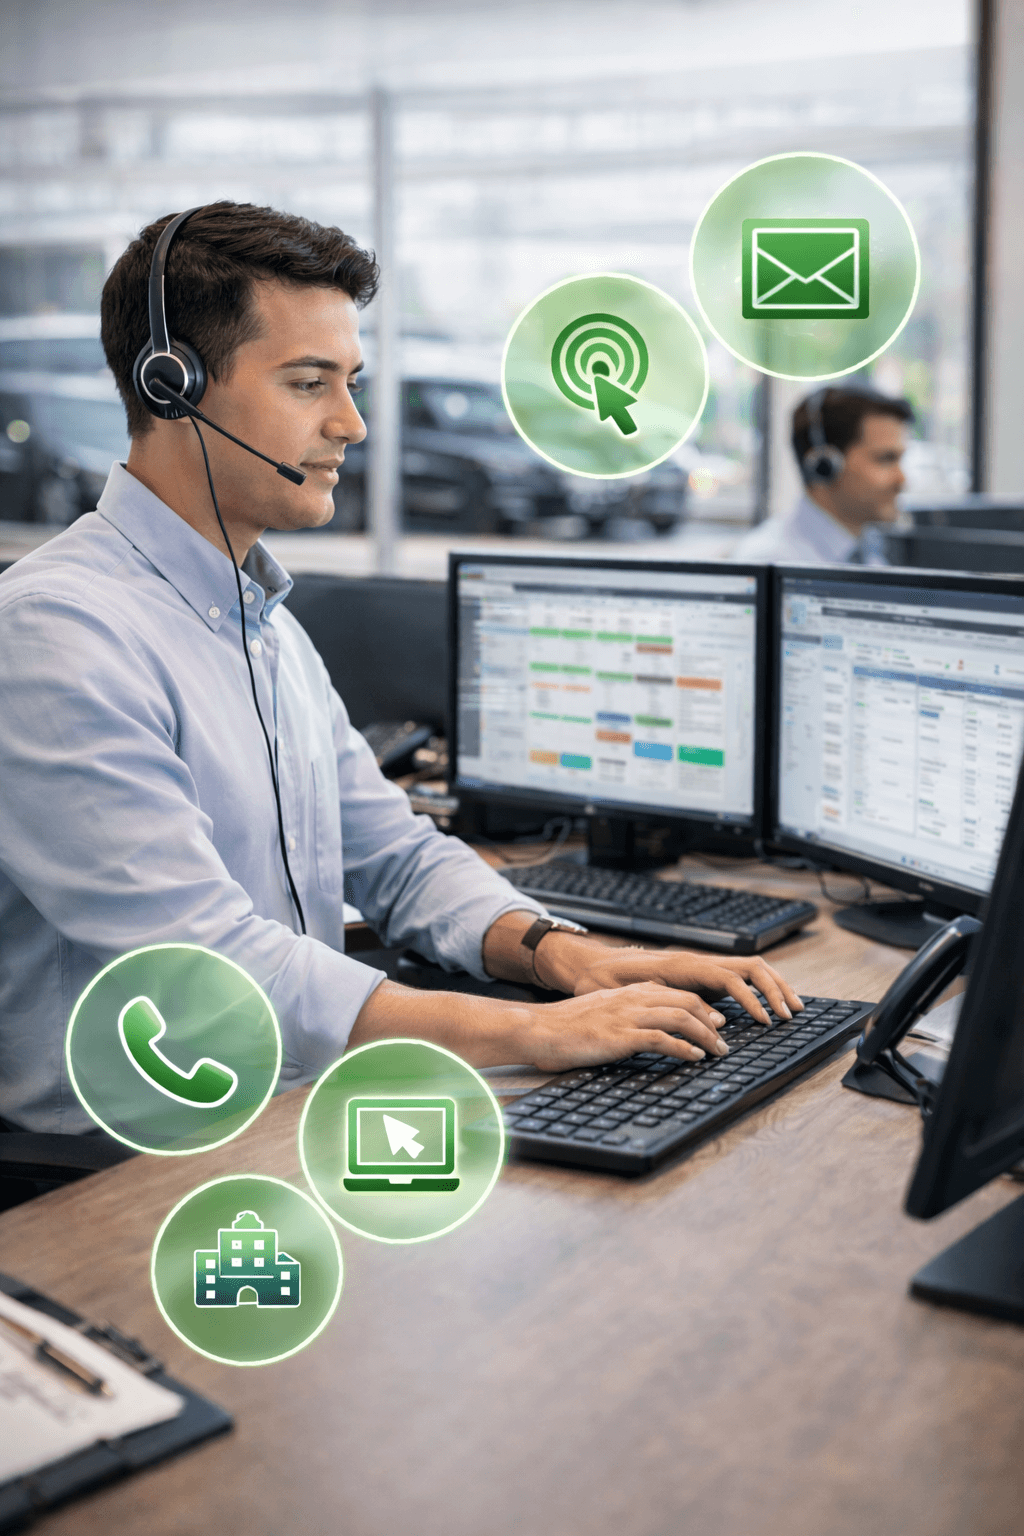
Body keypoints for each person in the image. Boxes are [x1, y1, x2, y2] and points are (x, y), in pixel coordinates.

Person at [0, 202, 801, 1135]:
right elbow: (209, 970)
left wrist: (561, 958)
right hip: (126, 1166)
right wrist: (534, 1034)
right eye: (309, 384)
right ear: (174, 389)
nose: (353, 424)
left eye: (352, 382)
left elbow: (398, 856)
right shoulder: (58, 636)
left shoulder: (261, 624)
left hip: (284, 1107)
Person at [733, 385, 914, 564]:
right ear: (825, 465)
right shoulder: (770, 566)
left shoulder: (870, 551)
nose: (902, 479)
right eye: (886, 459)